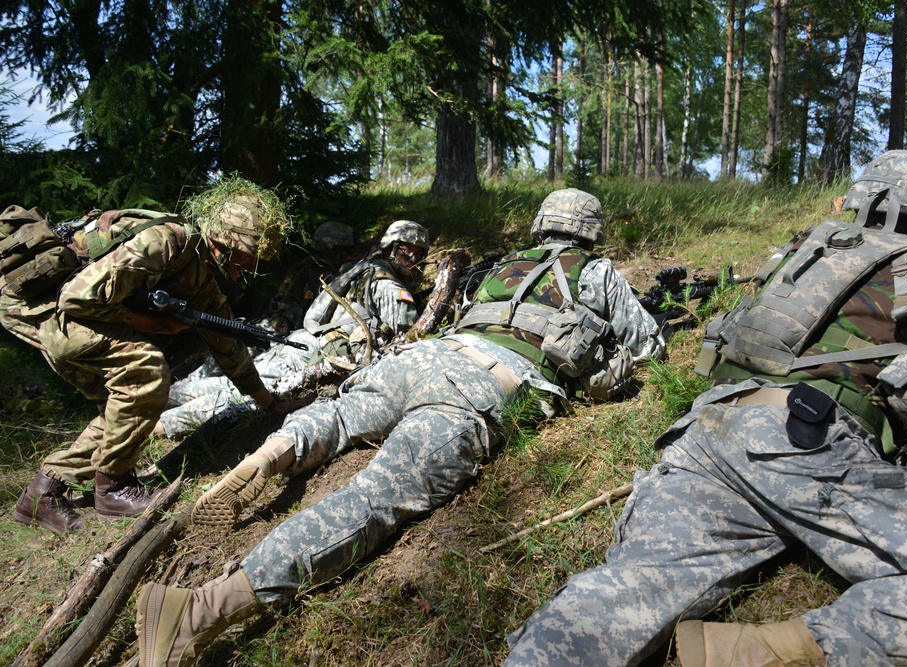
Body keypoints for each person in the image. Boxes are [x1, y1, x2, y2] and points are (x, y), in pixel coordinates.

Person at [501, 150, 907, 667]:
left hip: (705, 431)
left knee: (631, 588)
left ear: (860, 197)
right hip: (806, 444)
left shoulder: (800, 253)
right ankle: (775, 651)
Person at [133, 188, 666, 667]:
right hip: (481, 384)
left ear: (542, 224)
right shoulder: (596, 273)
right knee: (375, 497)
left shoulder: (504, 265)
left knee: (341, 415)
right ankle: (197, 612)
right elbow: (648, 347)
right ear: (591, 231)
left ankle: (272, 452)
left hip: (425, 357)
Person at [4, 178, 311, 533]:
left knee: (123, 401)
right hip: (35, 304)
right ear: (226, 241)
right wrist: (144, 321)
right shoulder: (166, 242)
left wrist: (270, 403)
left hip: (68, 303)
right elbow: (77, 298)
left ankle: (43, 494)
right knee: (143, 370)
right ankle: (113, 487)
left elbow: (228, 345)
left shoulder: (201, 277)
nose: (251, 266)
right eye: (249, 256)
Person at [156, 220, 427, 439]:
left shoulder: (362, 269)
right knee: (236, 393)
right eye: (406, 250)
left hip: (303, 341)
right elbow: (408, 336)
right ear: (391, 247)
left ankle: (157, 397)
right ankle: (158, 425)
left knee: (233, 384)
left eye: (419, 253)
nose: (412, 257)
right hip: (312, 353)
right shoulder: (389, 285)